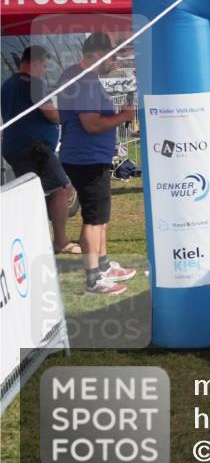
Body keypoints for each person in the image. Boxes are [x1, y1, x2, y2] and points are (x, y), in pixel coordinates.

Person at [56, 33, 137, 295]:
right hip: (86, 158)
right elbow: (91, 124)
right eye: (113, 57)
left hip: (90, 157)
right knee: (93, 218)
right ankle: (93, 279)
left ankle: (102, 267)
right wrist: (124, 115)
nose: (115, 63)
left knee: (101, 216)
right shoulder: (84, 81)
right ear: (98, 54)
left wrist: (117, 116)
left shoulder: (83, 78)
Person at [1, 46, 78, 254]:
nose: (44, 70)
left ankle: (32, 238)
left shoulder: (7, 84)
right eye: (43, 65)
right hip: (34, 148)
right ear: (33, 63)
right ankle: (60, 241)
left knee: (33, 193)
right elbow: (51, 114)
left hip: (14, 146)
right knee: (62, 188)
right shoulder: (34, 84)